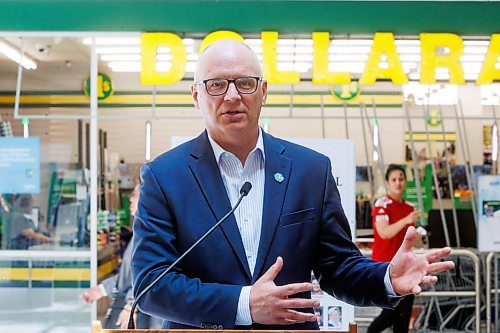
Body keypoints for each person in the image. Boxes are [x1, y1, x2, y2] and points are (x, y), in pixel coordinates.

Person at [131, 39, 454, 330]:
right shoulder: (164, 176)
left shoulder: (310, 170)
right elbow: (151, 285)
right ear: (196, 95)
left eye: (245, 83)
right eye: (216, 84)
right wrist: (245, 305)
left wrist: (386, 279)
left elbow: (338, 267)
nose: (232, 95)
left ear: (264, 91)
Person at [81, 185, 162, 329]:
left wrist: (131, 306)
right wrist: (101, 289)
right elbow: (128, 275)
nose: (130, 200)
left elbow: (151, 275)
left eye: (135, 194)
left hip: (144, 316)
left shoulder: (152, 232)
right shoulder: (141, 230)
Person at [367, 164, 421, 333]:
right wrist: (406, 220)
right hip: (386, 268)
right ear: (388, 182)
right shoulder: (382, 204)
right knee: (390, 312)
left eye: (401, 179)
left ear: (405, 182)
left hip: (406, 268)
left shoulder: (410, 207)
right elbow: (384, 232)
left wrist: (420, 236)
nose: (398, 183)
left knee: (403, 316)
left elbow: (410, 239)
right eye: (394, 179)